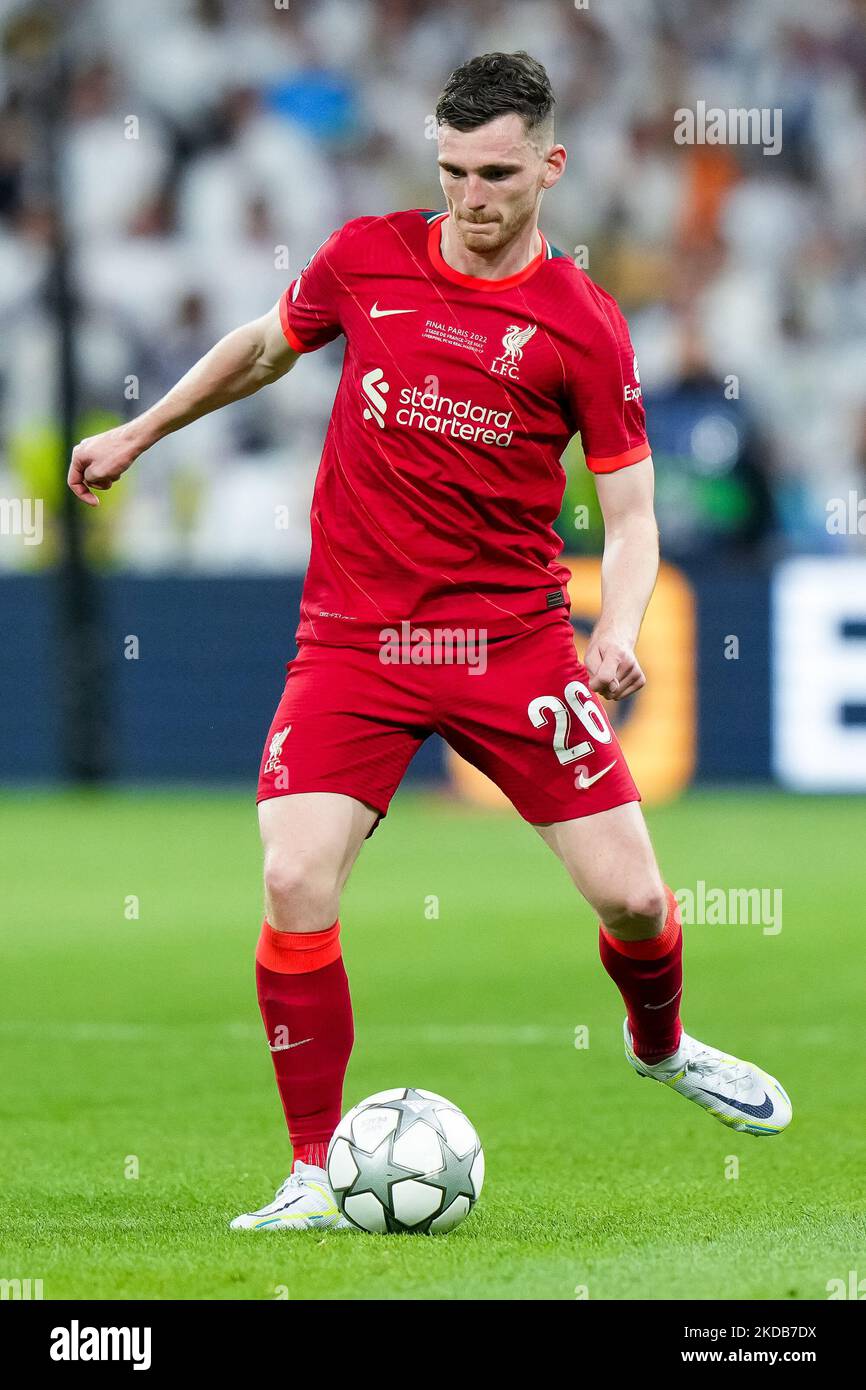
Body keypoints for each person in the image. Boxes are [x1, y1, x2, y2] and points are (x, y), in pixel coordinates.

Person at [68, 51, 791, 1232]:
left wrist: (613, 624)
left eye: (496, 173)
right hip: (352, 639)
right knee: (294, 876)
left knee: (633, 903)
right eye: (450, 170)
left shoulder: (582, 327)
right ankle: (310, 1172)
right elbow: (263, 346)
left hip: (508, 643)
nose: (469, 196)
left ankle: (657, 1046)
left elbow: (632, 512)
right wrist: (140, 431)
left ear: (549, 166)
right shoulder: (365, 256)